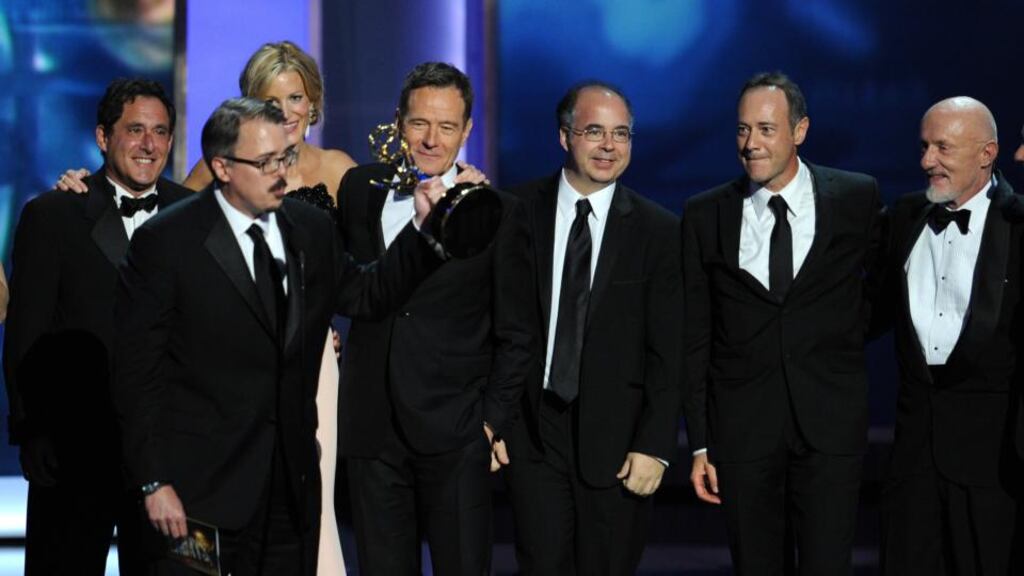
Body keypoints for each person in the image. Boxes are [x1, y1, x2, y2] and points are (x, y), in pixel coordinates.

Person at [112, 97, 449, 575]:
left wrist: (422, 232)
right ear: (222, 167)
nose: (282, 174)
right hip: (197, 496)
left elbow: (368, 295)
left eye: (285, 158)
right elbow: (136, 376)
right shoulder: (167, 243)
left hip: (289, 490)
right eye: (266, 162)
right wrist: (153, 482)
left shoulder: (309, 230)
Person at [57, 40, 354, 575]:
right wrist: (95, 188)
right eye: (271, 99)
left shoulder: (328, 189)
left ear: (313, 103)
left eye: (295, 97)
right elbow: (164, 230)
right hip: (211, 442)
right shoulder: (192, 212)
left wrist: (433, 236)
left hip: (302, 397)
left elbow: (359, 281)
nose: (285, 111)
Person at [681, 72, 885, 575]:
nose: (751, 144)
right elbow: (695, 334)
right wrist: (702, 441)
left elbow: (882, 294)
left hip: (829, 426)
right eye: (743, 130)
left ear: (800, 130)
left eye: (767, 129)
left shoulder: (854, 198)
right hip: (743, 433)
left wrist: (834, 337)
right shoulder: (706, 214)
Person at [335, 61, 534, 575]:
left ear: (467, 130)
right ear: (400, 121)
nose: (431, 139)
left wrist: (490, 422)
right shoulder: (359, 189)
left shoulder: (496, 211)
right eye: (420, 123)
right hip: (372, 426)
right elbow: (346, 283)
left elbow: (516, 332)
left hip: (456, 431)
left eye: (447, 127)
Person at [2, 78, 192, 575]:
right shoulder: (53, 215)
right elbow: (27, 333)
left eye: (159, 131)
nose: (148, 144)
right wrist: (31, 432)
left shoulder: (194, 218)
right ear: (103, 138)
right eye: (134, 130)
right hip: (75, 452)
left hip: (169, 455)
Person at [502, 82, 683, 575]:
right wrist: (495, 419)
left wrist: (655, 446)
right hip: (534, 432)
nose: (609, 146)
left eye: (621, 134)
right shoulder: (514, 213)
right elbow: (497, 327)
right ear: (565, 137)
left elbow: (669, 351)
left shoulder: (660, 231)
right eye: (595, 131)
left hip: (619, 445)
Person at [879, 96, 1023, 575]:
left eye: (942, 147)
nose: (926, 161)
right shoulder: (903, 218)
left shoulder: (1019, 224)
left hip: (993, 471)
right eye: (924, 147)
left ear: (987, 153)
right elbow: (865, 313)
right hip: (912, 465)